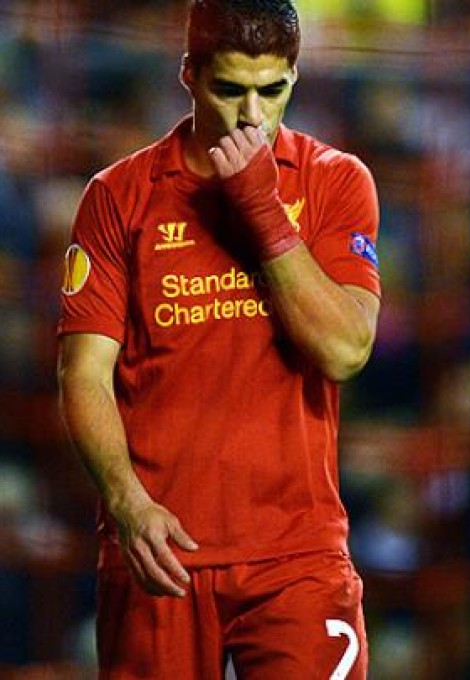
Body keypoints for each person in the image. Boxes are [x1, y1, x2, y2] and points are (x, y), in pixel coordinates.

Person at [56, 1, 381, 677]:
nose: (252, 115)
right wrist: (125, 502)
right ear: (189, 76)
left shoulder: (334, 181)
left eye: (273, 90)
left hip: (298, 554)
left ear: (296, 76)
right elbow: (83, 373)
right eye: (230, 89)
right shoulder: (120, 197)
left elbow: (346, 350)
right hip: (159, 550)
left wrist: (260, 208)